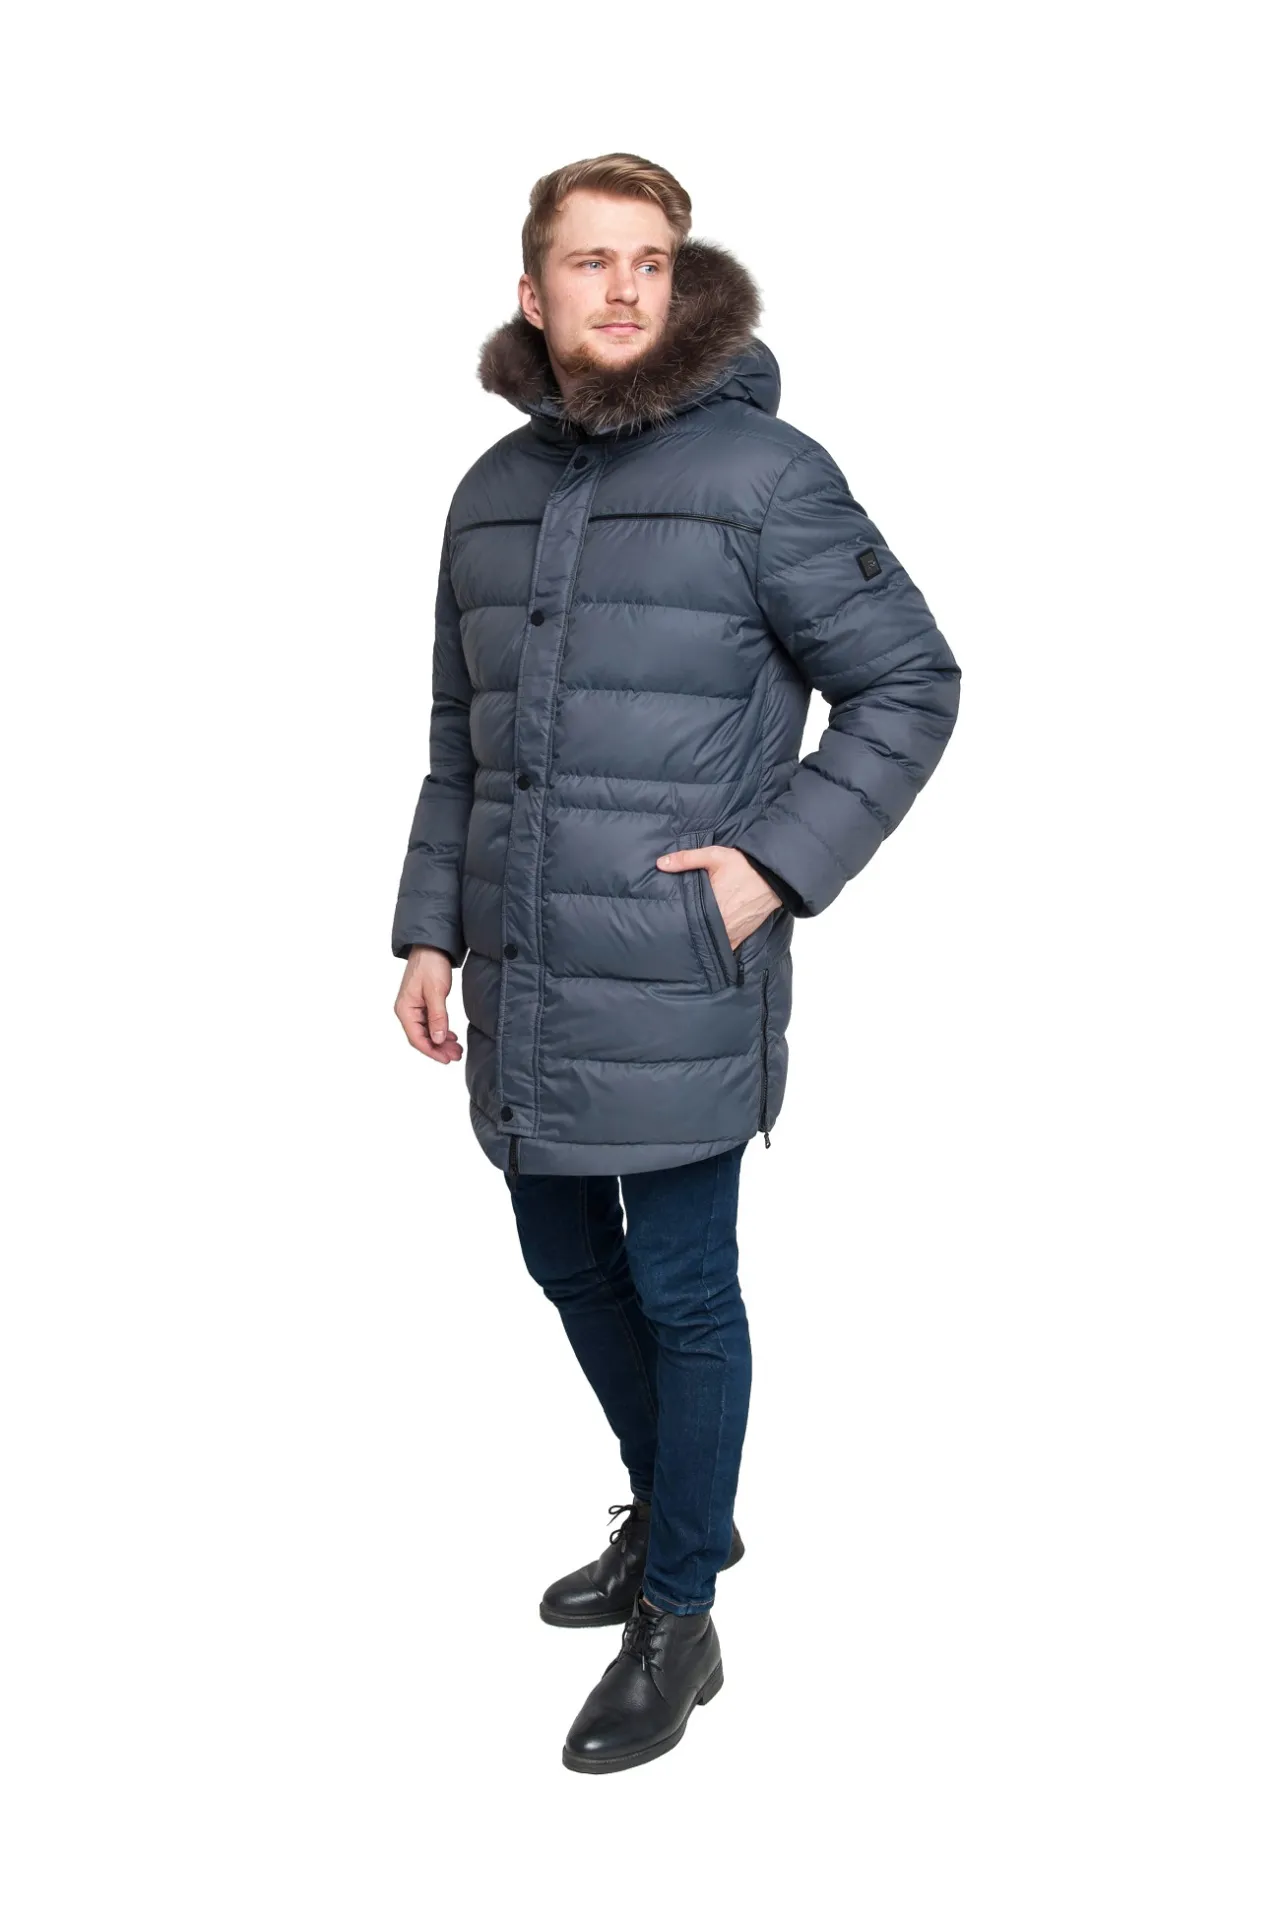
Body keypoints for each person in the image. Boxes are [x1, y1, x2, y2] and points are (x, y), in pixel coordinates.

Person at [391, 153, 961, 1773]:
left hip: (674, 967)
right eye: (592, 261)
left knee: (684, 1285)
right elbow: (463, 737)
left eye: (650, 258)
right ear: (534, 293)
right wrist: (429, 924)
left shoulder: (769, 476)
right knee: (565, 1261)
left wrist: (775, 867)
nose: (625, 285)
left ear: (683, 280)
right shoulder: (489, 493)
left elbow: (912, 682)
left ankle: (683, 1612)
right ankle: (678, 1507)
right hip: (521, 967)